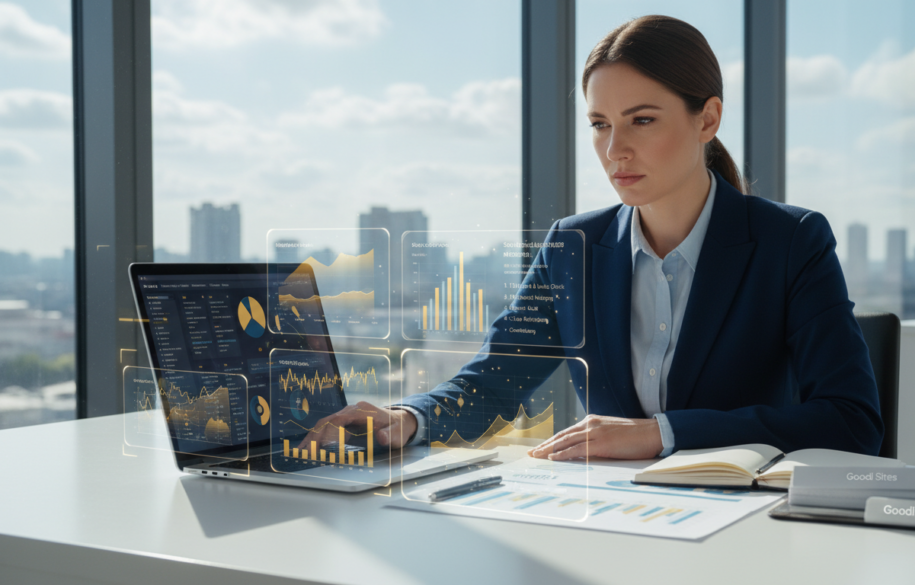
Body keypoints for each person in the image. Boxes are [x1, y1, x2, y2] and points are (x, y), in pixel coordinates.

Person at [298, 15, 883, 461]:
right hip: (613, 521)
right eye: (600, 125)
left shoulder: (791, 242)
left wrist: (662, 435)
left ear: (707, 119)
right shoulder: (572, 245)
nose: (614, 150)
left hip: (745, 530)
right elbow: (497, 378)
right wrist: (409, 417)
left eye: (642, 120)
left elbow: (851, 421)